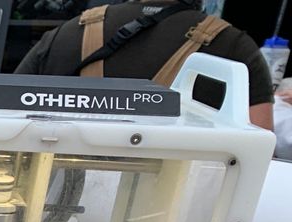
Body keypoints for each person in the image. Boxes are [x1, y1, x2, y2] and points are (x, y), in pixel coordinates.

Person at [15, 1, 274, 130]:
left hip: (56, 208)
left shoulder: (71, 30)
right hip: (174, 219)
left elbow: (6, 112)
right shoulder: (235, 47)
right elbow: (258, 151)